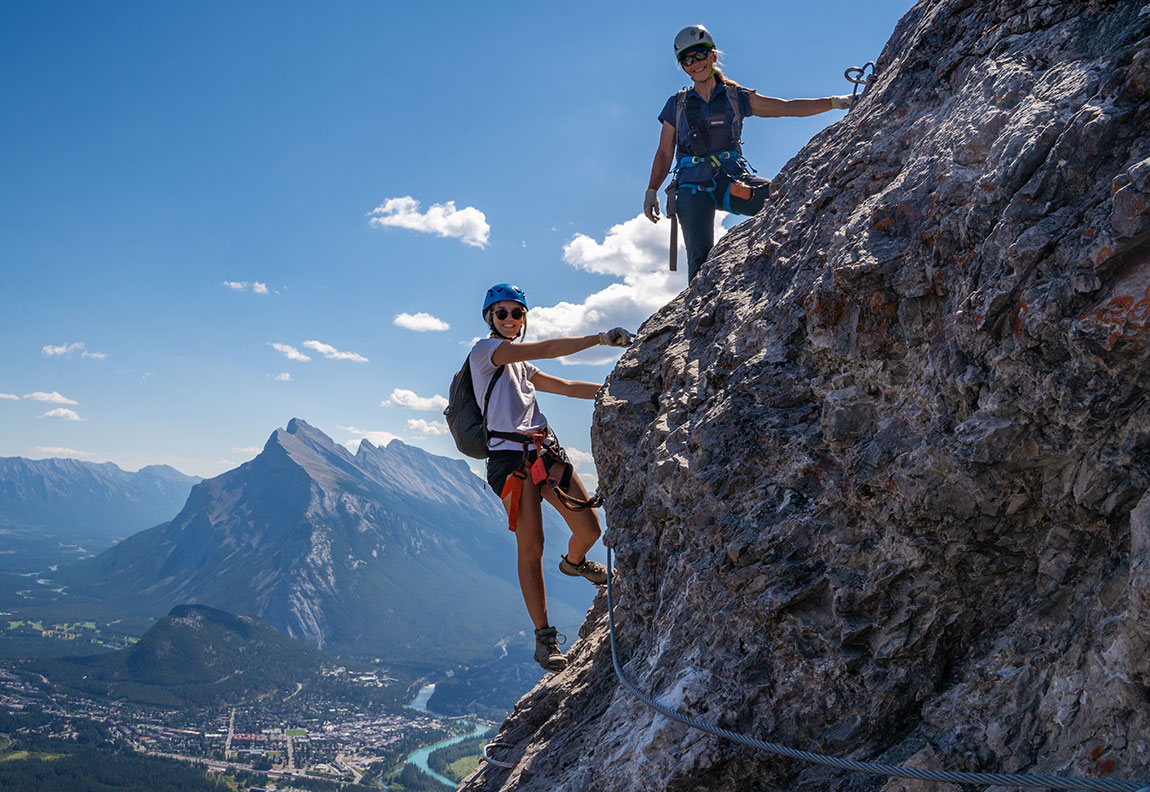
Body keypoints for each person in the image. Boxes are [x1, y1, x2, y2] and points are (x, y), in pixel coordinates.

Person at [470, 283, 633, 672]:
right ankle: (545, 639)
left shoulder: (521, 368)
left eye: (517, 313)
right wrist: (598, 339)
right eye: (502, 313)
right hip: (510, 462)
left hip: (543, 452)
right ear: (490, 318)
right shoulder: (485, 352)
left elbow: (566, 386)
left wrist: (621, 393)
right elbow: (545, 349)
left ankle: (575, 562)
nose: (510, 319)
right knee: (532, 547)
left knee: (589, 529)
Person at [644, 24, 858, 282]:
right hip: (692, 188)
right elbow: (665, 152)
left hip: (732, 181)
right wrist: (651, 191)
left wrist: (836, 102)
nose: (695, 63)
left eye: (700, 55)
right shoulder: (677, 104)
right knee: (699, 262)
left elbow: (787, 108)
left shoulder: (736, 97)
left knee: (785, 201)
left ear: (713, 55)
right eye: (687, 60)